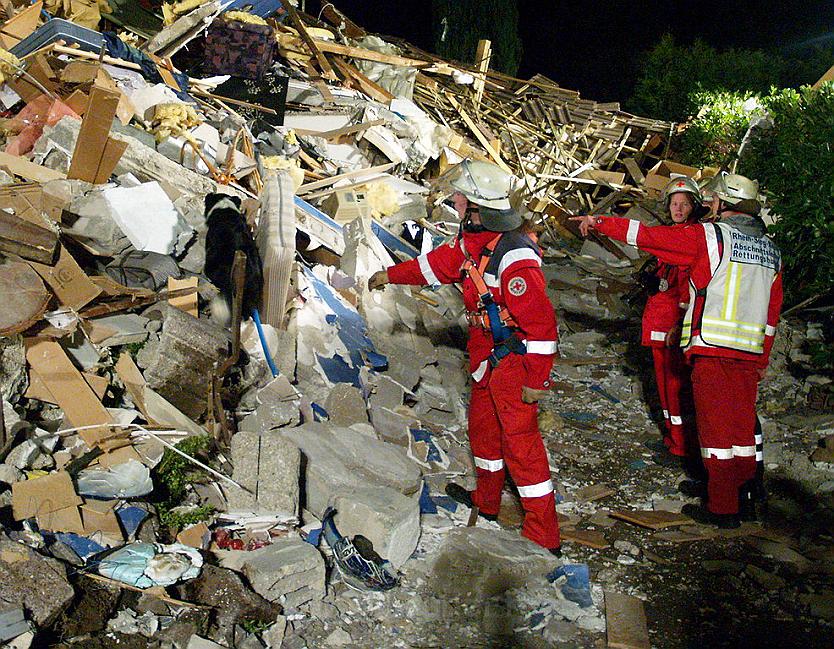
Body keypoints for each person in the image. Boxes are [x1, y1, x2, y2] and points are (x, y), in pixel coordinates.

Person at [368, 159, 561, 553]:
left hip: (514, 360)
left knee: (521, 447)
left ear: (477, 207)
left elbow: (543, 328)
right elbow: (435, 266)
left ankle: (544, 535)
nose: (453, 201)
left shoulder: (516, 258)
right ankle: (487, 504)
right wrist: (391, 274)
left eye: (460, 197)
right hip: (486, 356)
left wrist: (536, 382)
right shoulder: (473, 244)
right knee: (484, 435)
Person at [572, 173, 782, 528]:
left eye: (715, 200)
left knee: (715, 433)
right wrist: (762, 358)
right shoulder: (771, 251)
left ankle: (722, 509)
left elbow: (649, 237)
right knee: (741, 431)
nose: (710, 205)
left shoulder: (711, 237)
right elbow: (772, 315)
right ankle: (744, 499)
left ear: (725, 204)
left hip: (713, 348)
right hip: (748, 353)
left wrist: (600, 223)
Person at [640, 177, 704, 469]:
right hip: (658, 325)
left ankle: (680, 445)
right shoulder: (672, 236)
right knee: (664, 387)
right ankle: (672, 438)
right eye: (674, 204)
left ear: (694, 206)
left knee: (675, 387)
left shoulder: (691, 238)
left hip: (671, 327)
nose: (678, 208)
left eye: (684, 204)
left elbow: (688, 292)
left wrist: (677, 327)